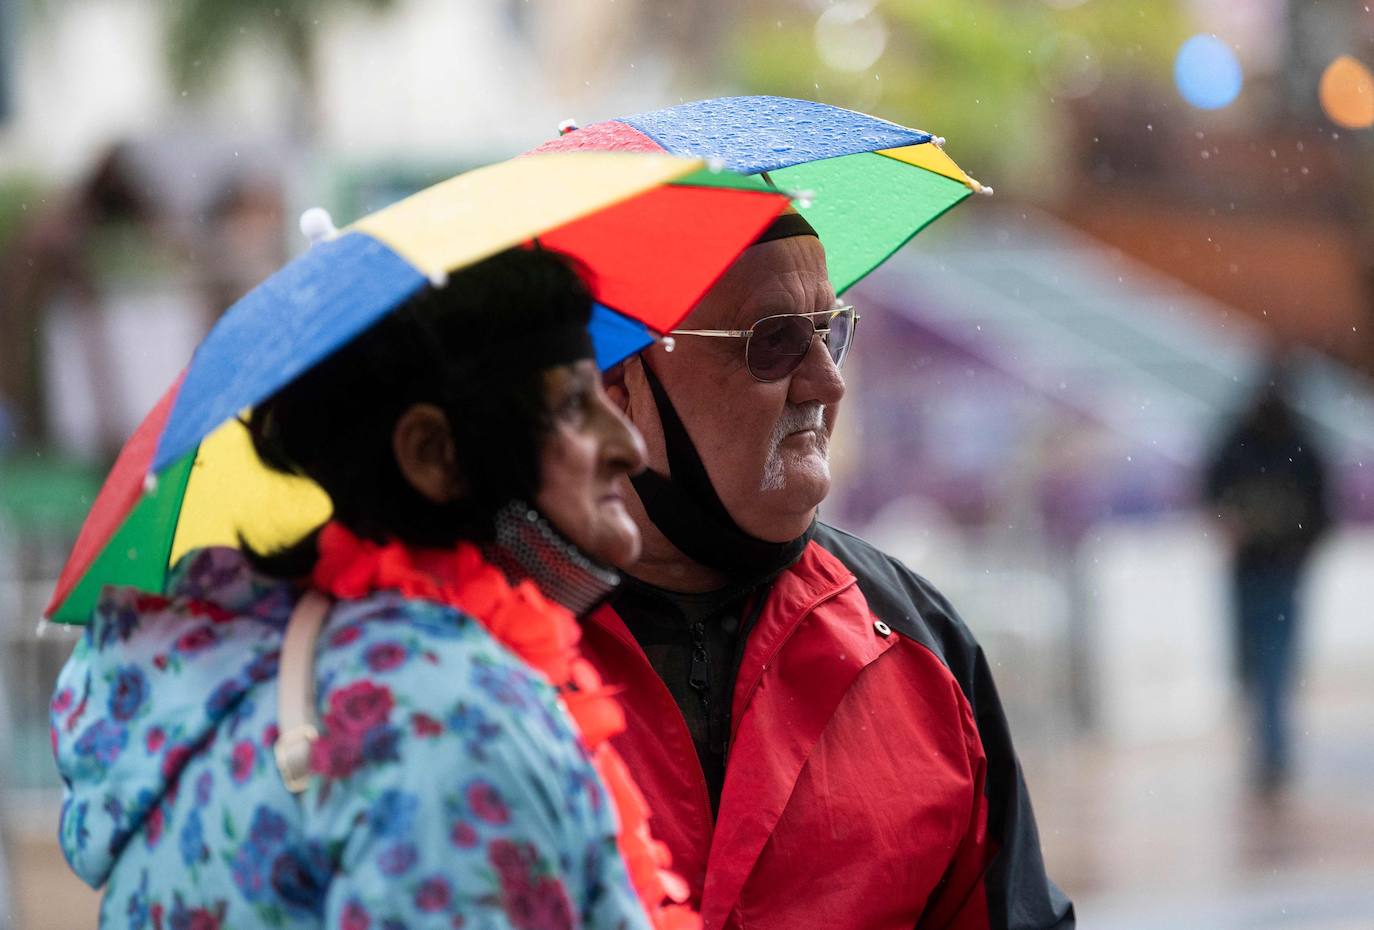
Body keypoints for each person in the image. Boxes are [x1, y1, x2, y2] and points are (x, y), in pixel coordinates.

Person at [51, 247, 695, 929]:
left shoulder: (267, 670)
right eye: (572, 405)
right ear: (433, 454)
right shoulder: (450, 718)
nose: (630, 446)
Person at [580, 212, 1075, 929]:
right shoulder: (478, 661)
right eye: (773, 341)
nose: (826, 382)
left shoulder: (914, 637)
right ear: (618, 382)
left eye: (830, 332)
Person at [1204, 355, 1331, 794]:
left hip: (1273, 570)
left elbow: (1320, 512)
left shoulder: (1278, 439)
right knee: (1261, 663)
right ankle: (1269, 748)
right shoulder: (1283, 439)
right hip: (1264, 569)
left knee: (1266, 663)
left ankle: (1271, 751)